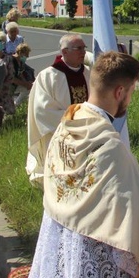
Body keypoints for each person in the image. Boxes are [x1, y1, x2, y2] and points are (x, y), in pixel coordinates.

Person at [19, 51, 139, 278]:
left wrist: (134, 181)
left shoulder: (69, 122)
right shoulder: (110, 146)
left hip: (60, 229)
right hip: (92, 245)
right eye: (131, 92)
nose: (131, 99)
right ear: (119, 92)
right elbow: (125, 214)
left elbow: (81, 180)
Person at [25, 33, 90, 186]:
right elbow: (43, 110)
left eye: (84, 48)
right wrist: (73, 119)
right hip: (59, 132)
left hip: (87, 130)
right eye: (78, 48)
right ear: (65, 52)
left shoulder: (88, 73)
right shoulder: (48, 76)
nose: (83, 52)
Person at [0, 31, 17, 120]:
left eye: (2, 41)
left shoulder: (8, 59)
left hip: (3, 92)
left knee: (6, 115)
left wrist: (2, 88)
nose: (0, 44)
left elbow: (11, 75)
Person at [13, 43, 34, 107]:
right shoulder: (11, 61)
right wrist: (25, 84)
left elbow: (20, 74)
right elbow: (12, 78)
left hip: (14, 85)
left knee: (29, 89)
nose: (27, 56)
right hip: (7, 85)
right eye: (26, 54)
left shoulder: (21, 63)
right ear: (20, 52)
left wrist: (27, 83)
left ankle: (16, 105)